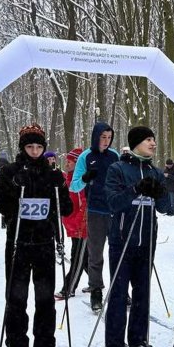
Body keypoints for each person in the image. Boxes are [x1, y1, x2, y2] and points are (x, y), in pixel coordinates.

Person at [0, 124, 72, 347]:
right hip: (18, 243)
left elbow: (67, 208)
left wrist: (60, 189)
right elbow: (3, 207)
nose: (35, 151)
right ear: (22, 147)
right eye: (30, 146)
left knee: (45, 300)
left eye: (39, 146)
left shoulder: (52, 173)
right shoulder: (11, 171)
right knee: (16, 299)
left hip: (44, 243)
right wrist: (17, 195)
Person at [103, 127, 170, 347]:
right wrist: (135, 189)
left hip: (146, 242)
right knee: (119, 295)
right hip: (122, 242)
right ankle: (113, 346)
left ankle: (138, 340)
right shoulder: (118, 169)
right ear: (135, 144)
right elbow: (112, 203)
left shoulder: (155, 172)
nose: (153, 143)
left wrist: (163, 190)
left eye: (154, 139)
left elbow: (167, 208)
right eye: (148, 140)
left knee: (143, 294)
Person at [69, 122, 119, 311]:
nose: (106, 141)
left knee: (117, 252)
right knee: (95, 253)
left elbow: (121, 180)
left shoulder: (114, 156)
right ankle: (96, 291)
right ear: (96, 137)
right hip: (96, 211)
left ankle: (119, 289)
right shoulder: (85, 157)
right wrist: (84, 178)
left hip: (114, 210)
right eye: (102, 137)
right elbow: (74, 187)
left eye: (109, 138)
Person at [57, 147, 88, 298]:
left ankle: (68, 288)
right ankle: (97, 283)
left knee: (77, 258)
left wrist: (80, 224)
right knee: (86, 258)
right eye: (67, 160)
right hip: (71, 226)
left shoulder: (81, 180)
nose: (67, 163)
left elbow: (84, 206)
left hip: (81, 227)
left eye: (70, 161)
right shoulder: (67, 178)